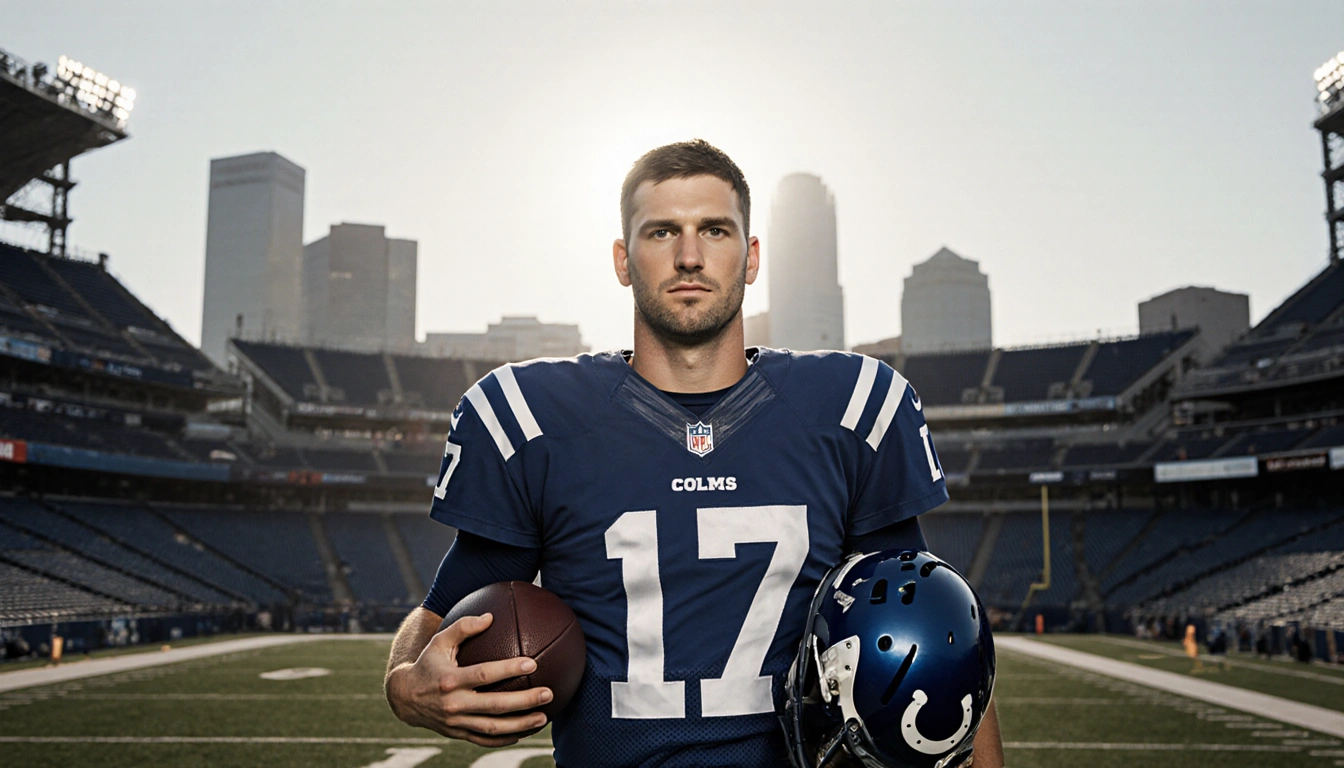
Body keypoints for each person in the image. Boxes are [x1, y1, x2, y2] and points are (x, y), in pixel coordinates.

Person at [383, 140, 1004, 767]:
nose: (689, 255)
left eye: (715, 229)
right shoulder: (534, 420)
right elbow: (438, 619)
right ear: (623, 261)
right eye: (661, 232)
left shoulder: (851, 410)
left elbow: (938, 641)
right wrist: (405, 686)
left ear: (751, 255)